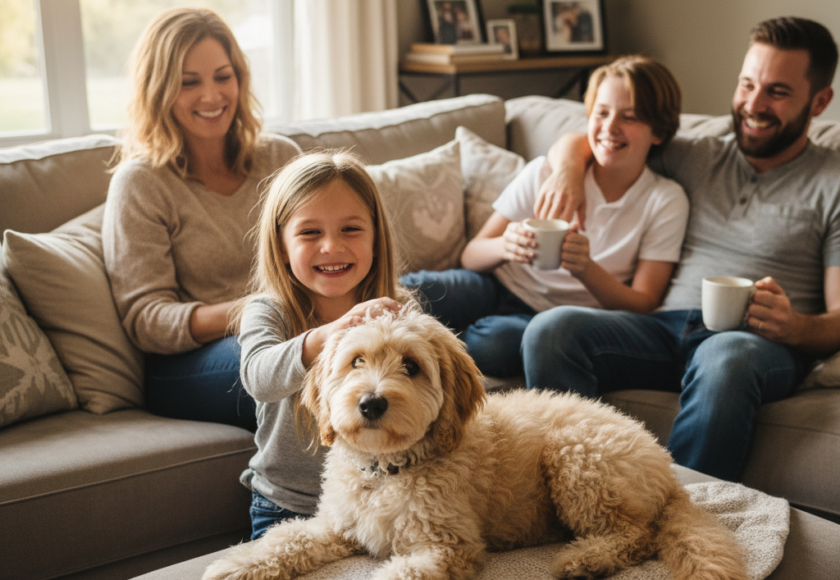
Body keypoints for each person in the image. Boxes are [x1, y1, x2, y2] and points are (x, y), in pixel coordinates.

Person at [528, 16, 840, 481]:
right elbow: (599, 138)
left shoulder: (832, 183)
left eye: (777, 92)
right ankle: (583, 489)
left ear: (820, 102)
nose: (753, 104)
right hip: (665, 326)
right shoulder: (698, 154)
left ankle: (679, 515)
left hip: (754, 342)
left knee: (725, 357)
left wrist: (794, 326)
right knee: (550, 331)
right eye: (747, 84)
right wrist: (569, 170)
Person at [403, 56, 688, 378]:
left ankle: (431, 356)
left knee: (494, 345)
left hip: (559, 318)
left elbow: (644, 303)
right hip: (496, 284)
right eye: (602, 113)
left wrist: (585, 269)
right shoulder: (546, 174)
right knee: (416, 289)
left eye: (630, 117)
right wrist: (504, 246)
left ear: (659, 132)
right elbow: (470, 256)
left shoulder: (664, 200)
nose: (610, 127)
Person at [102, 8, 301, 431]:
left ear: (240, 79)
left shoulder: (280, 158)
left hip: (299, 326)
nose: (211, 96)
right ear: (159, 90)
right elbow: (147, 319)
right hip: (190, 363)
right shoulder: (141, 183)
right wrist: (257, 310)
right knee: (297, 367)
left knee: (431, 301)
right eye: (189, 82)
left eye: (222, 76)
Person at [235, 151, 411, 539]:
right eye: (310, 232)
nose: (331, 246)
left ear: (377, 240)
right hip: (287, 503)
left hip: (384, 496)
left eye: (351, 229)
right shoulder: (267, 311)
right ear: (281, 246)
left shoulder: (399, 307)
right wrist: (326, 336)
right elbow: (259, 378)